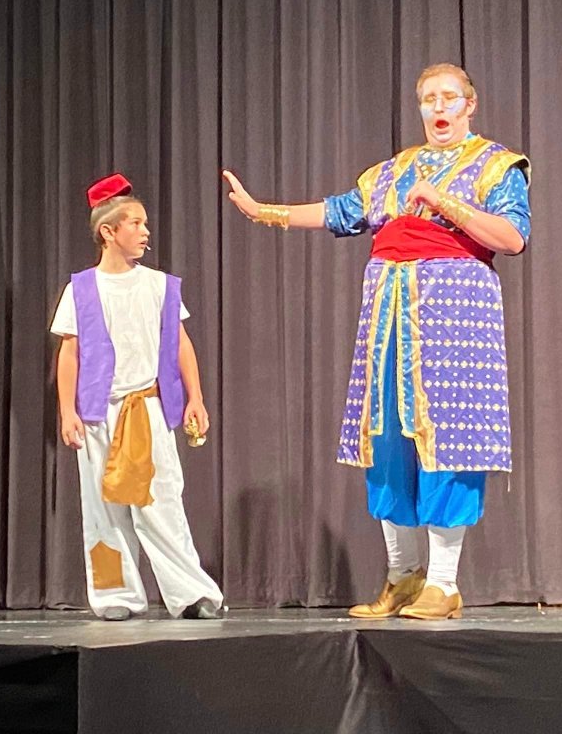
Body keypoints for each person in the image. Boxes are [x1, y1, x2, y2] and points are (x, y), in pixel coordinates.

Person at [222, 63, 531, 620]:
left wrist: (442, 201)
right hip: (390, 317)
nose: (438, 108)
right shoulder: (393, 170)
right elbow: (341, 212)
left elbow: (511, 237)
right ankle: (402, 577)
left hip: (454, 318)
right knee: (385, 438)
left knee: (448, 440)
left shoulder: (496, 165)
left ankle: (443, 583)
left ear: (470, 104)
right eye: (428, 99)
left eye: (449, 98)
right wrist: (261, 211)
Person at [50, 172, 224, 620]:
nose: (146, 231)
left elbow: (181, 342)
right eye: (136, 224)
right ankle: (115, 596)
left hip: (146, 408)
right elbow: (70, 352)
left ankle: (190, 594)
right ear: (109, 231)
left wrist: (195, 398)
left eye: (145, 224)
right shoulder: (82, 288)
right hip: (97, 413)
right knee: (104, 511)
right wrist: (67, 409)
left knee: (162, 502)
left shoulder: (159, 285)